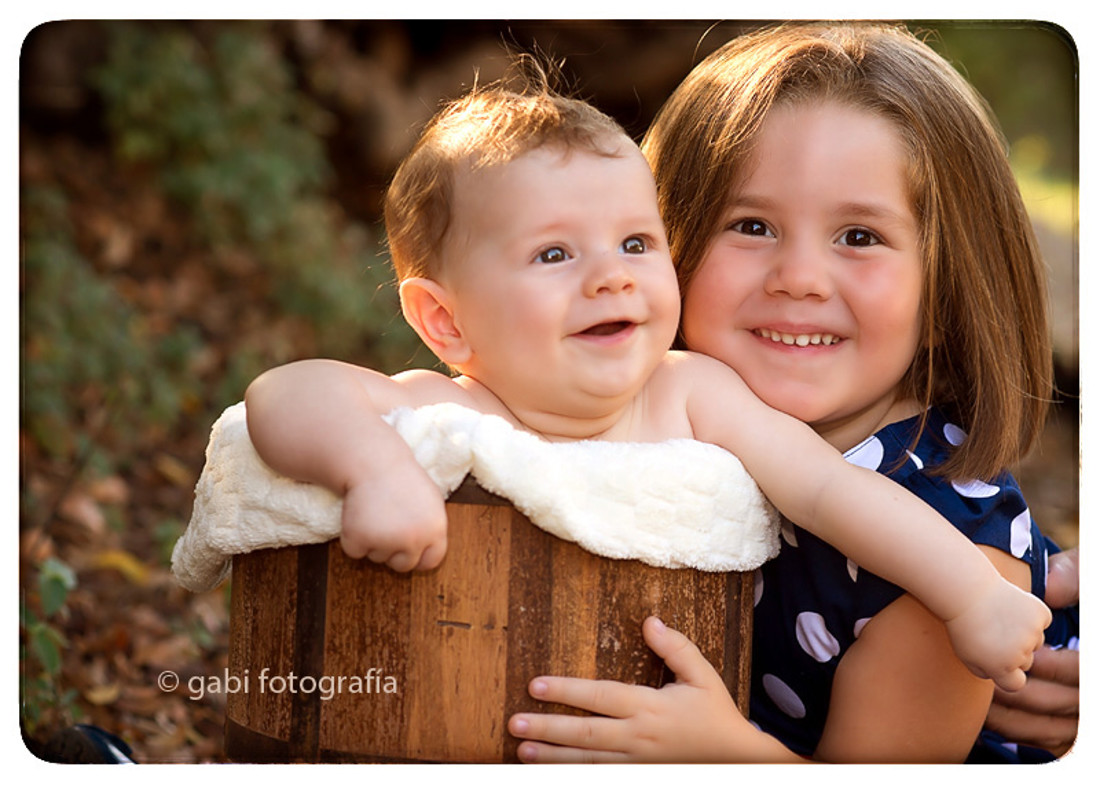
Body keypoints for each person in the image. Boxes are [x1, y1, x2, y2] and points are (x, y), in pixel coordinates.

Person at [243, 64, 1050, 709]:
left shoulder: (687, 391)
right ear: (448, 323)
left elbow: (831, 491)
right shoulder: (459, 408)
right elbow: (283, 396)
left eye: (634, 242)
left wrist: (972, 592)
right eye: (555, 255)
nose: (610, 280)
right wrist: (376, 470)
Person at [504, 23, 1079, 763]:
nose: (798, 276)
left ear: (945, 296)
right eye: (751, 225)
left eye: (860, 236)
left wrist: (718, 755)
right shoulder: (676, 409)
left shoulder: (953, 564)